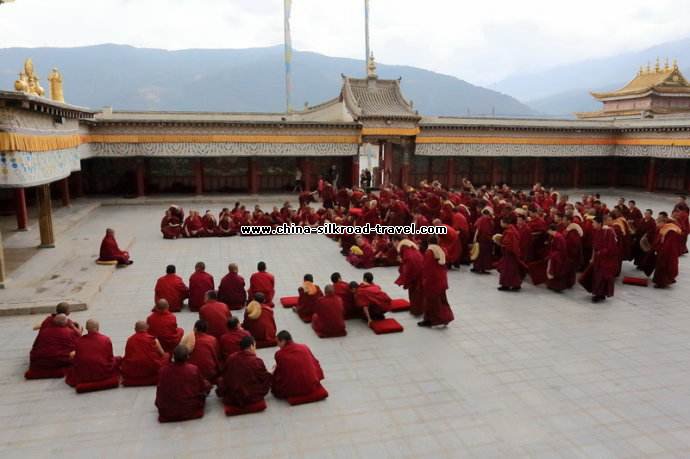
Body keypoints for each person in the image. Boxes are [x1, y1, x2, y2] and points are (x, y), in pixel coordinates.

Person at [155, 345, 211, 423]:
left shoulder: (163, 371)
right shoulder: (193, 369)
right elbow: (202, 387)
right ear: (188, 357)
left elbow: (160, 390)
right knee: (207, 385)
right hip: (189, 409)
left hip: (168, 411)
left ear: (173, 357)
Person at [216, 335, 272, 408]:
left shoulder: (231, 357)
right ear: (251, 346)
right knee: (267, 377)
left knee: (221, 380)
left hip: (233, 396)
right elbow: (263, 378)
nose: (255, 348)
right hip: (250, 396)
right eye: (255, 346)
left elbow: (225, 374)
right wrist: (269, 374)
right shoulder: (257, 361)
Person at [272, 330, 325, 399]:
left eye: (278, 342)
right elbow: (315, 363)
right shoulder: (304, 347)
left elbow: (280, 373)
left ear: (283, 341)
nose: (277, 345)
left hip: (293, 389)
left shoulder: (279, 354)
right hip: (311, 386)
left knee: (275, 382)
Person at [65, 319, 120, 387]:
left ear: (86, 328)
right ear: (98, 327)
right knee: (118, 359)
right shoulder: (105, 339)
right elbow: (110, 358)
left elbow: (77, 359)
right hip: (102, 372)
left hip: (85, 374)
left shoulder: (79, 341)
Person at [27, 313, 81, 378]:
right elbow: (78, 345)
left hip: (40, 361)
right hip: (58, 361)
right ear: (65, 323)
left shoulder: (44, 331)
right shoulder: (69, 332)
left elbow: (35, 346)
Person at [580, 215, 618, 303]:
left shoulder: (608, 232)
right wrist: (593, 257)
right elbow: (594, 246)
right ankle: (599, 293)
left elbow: (611, 247)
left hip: (606, 260)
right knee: (597, 276)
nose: (592, 224)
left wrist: (601, 252)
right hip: (598, 259)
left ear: (600, 223)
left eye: (594, 223)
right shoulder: (597, 231)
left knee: (602, 277)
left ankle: (598, 294)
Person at [418, 236, 454, 327]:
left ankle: (433, 320)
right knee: (442, 300)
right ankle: (446, 317)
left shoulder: (429, 252)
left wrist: (424, 281)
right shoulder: (442, 250)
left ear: (429, 242)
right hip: (442, 280)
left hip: (432, 281)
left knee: (431, 302)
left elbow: (427, 268)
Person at [120, 321, 169, 386]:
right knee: (167, 356)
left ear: (135, 329)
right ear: (147, 328)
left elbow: (127, 356)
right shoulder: (153, 339)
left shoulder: (130, 340)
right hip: (151, 372)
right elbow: (162, 354)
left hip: (133, 374)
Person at [394, 238, 425, 316]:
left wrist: (406, 276)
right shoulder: (410, 247)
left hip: (415, 273)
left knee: (415, 293)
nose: (394, 245)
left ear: (397, 241)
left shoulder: (405, 248)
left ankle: (417, 311)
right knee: (418, 293)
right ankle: (419, 309)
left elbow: (410, 261)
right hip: (420, 271)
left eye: (393, 242)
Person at [652, 212, 682, 288]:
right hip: (665, 251)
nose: (657, 225)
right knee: (662, 267)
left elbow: (668, 244)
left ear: (662, 222)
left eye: (658, 223)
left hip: (668, 253)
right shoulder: (664, 228)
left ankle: (662, 283)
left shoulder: (670, 230)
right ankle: (663, 282)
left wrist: (661, 250)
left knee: (665, 267)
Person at [187, 320, 221, 384]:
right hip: (209, 373)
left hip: (193, 373)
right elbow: (217, 356)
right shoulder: (213, 339)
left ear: (195, 329)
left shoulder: (190, 339)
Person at [497, 215, 525, 292]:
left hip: (509, 254)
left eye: (501, 222)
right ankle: (515, 285)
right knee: (512, 270)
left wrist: (501, 244)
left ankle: (506, 285)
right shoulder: (512, 229)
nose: (500, 224)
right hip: (512, 254)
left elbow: (508, 244)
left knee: (507, 270)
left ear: (505, 223)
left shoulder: (510, 232)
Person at [545, 224, 570, 293]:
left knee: (557, 272)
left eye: (548, 231)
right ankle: (552, 285)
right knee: (554, 271)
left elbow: (560, 250)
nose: (548, 232)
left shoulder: (558, 237)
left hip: (558, 258)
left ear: (550, 230)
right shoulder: (556, 236)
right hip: (556, 257)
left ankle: (557, 287)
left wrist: (552, 255)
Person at [472, 208, 494, 274]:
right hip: (487, 239)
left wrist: (475, 238)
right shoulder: (489, 220)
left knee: (479, 253)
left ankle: (477, 267)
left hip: (481, 238)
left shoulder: (481, 219)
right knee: (485, 254)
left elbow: (477, 229)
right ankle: (483, 268)